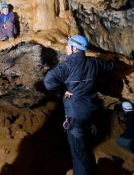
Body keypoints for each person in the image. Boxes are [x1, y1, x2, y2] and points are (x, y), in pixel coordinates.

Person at [43, 35, 116, 175]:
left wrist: (62, 92)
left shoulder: (68, 66)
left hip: (75, 116)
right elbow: (110, 66)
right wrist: (111, 59)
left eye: (68, 45)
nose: (66, 47)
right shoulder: (93, 63)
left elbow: (48, 81)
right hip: (90, 113)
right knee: (87, 149)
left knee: (78, 154)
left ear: (74, 48)